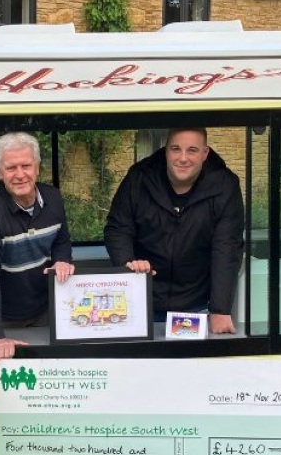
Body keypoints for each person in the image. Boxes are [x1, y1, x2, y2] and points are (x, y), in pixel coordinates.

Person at [104, 128, 244, 335]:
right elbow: (118, 228)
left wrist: (220, 309)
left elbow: (227, 247)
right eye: (176, 149)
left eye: (192, 150)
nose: (183, 158)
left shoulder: (225, 186)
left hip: (195, 304)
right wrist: (127, 264)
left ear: (205, 153)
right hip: (142, 299)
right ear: (166, 150)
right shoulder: (139, 178)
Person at [0, 132, 74, 358]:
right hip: (7, 317)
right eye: (11, 168)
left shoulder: (54, 198)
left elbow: (62, 240)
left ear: (37, 168)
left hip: (47, 310)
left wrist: (62, 260)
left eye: (26, 166)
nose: (20, 175)